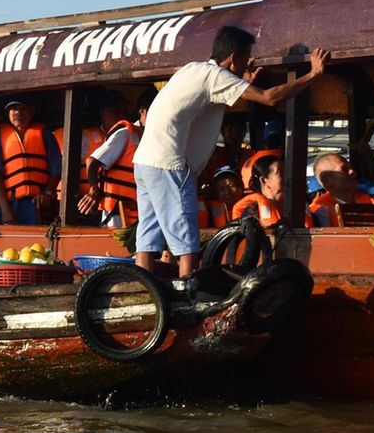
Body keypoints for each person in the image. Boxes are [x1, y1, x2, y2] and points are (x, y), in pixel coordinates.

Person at [132, 25, 328, 278]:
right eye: (245, 57)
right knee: (187, 237)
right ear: (234, 57)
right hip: (170, 163)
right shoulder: (215, 76)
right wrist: (313, 75)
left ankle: (141, 284)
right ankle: (188, 290)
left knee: (148, 236)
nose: (248, 62)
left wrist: (241, 82)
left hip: (145, 161)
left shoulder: (193, 69)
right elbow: (270, 98)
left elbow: (206, 103)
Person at [78, 90, 156, 227]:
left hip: (139, 212)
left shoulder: (151, 137)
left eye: (124, 112)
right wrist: (94, 189)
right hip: (116, 214)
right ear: (143, 111)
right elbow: (92, 161)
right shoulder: (125, 133)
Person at [0, 99, 62, 225]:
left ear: (31, 111)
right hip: (11, 203)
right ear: (8, 112)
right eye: (14, 108)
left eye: (23, 108)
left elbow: (57, 168)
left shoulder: (44, 134)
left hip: (36, 204)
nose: (18, 112)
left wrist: (47, 192)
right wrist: (5, 210)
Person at [308, 153, 374, 227]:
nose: (352, 172)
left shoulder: (372, 202)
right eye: (344, 169)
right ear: (326, 181)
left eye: (351, 168)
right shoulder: (321, 211)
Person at [232, 154, 286, 227]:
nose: (288, 177)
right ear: (263, 180)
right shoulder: (250, 211)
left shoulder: (295, 206)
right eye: (281, 173)